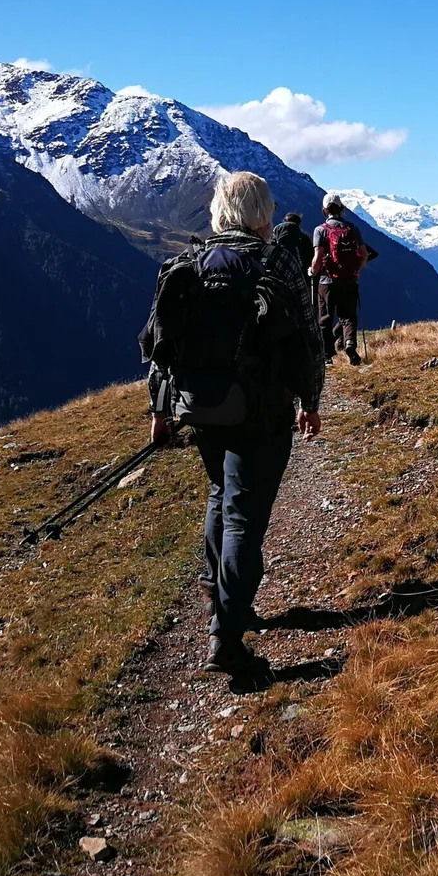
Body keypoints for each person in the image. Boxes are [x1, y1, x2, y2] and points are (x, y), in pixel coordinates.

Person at [144, 171, 323, 684]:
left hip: (199, 409)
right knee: (244, 515)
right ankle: (227, 634)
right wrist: (309, 401)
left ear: (220, 210)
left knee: (219, 494)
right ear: (263, 213)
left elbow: (158, 347)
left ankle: (217, 596)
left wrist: (160, 412)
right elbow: (308, 340)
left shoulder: (187, 262)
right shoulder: (276, 261)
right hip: (261, 412)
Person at [309, 192, 376, 365]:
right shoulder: (353, 229)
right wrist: (356, 270)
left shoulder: (320, 230)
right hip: (350, 280)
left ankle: (327, 355)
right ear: (342, 209)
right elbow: (363, 255)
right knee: (348, 315)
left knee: (325, 317)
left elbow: (317, 258)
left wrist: (312, 271)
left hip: (327, 281)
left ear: (324, 210)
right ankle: (349, 344)